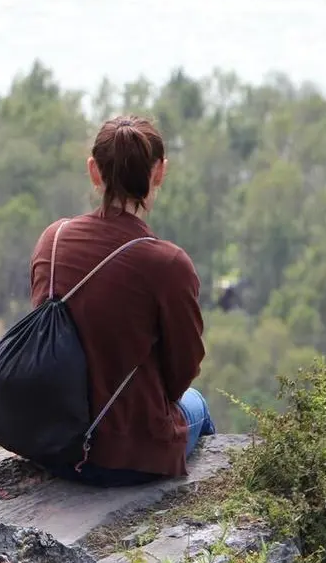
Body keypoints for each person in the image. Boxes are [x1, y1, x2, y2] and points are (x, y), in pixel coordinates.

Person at [28, 114, 214, 486]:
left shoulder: (54, 239)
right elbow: (183, 370)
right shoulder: (169, 264)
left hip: (51, 446)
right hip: (125, 456)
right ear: (159, 172)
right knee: (199, 406)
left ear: (94, 171)